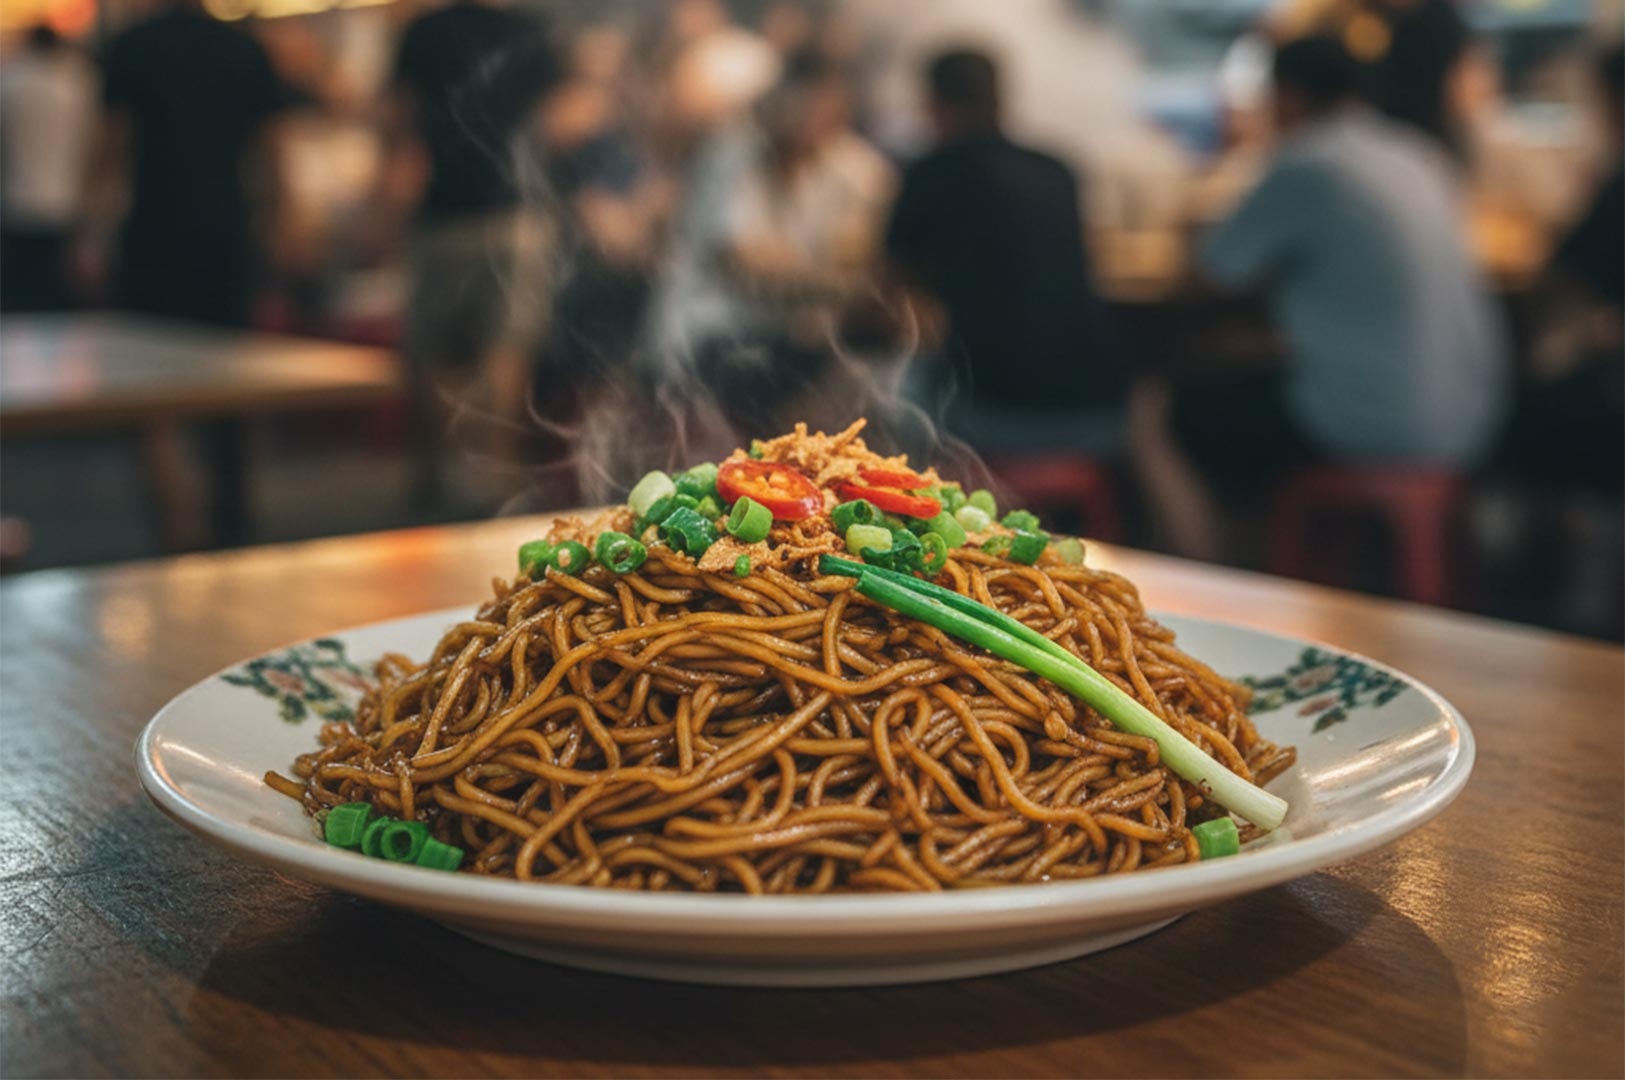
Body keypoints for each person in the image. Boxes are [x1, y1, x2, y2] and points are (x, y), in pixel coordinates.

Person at [1166, 34, 1509, 505]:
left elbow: (1211, 273)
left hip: (1372, 424)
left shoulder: (1308, 162)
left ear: (1288, 95)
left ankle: (1215, 548)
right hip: (1470, 418)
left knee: (1173, 407)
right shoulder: (1417, 152)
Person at [883, 47, 1128, 456]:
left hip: (990, 414)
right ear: (1001, 100)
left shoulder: (930, 174)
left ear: (934, 106)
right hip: (1100, 411)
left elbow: (890, 284)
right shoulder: (1058, 169)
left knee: (896, 387)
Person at [643, 48, 894, 426]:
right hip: (713, 331)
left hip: (795, 340)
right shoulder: (731, 154)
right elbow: (744, 257)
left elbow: (866, 251)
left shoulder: (854, 168)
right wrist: (844, 281)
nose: (808, 119)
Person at [379, 0, 559, 501]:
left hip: (443, 214)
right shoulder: (530, 32)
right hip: (516, 215)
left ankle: (432, 476)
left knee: (431, 351)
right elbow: (560, 122)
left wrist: (387, 198)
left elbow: (397, 120)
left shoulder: (424, 32)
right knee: (508, 350)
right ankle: (497, 477)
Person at [88, 0, 287, 326]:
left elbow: (112, 148)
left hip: (152, 226)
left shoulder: (133, 45)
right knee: (222, 344)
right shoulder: (245, 49)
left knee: (148, 340)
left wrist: (92, 232)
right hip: (224, 227)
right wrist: (275, 224)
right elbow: (270, 152)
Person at [0, 26, 97, 313]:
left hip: (17, 200)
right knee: (53, 296)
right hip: (65, 201)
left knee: (20, 295)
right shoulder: (77, 84)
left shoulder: (12, 82)